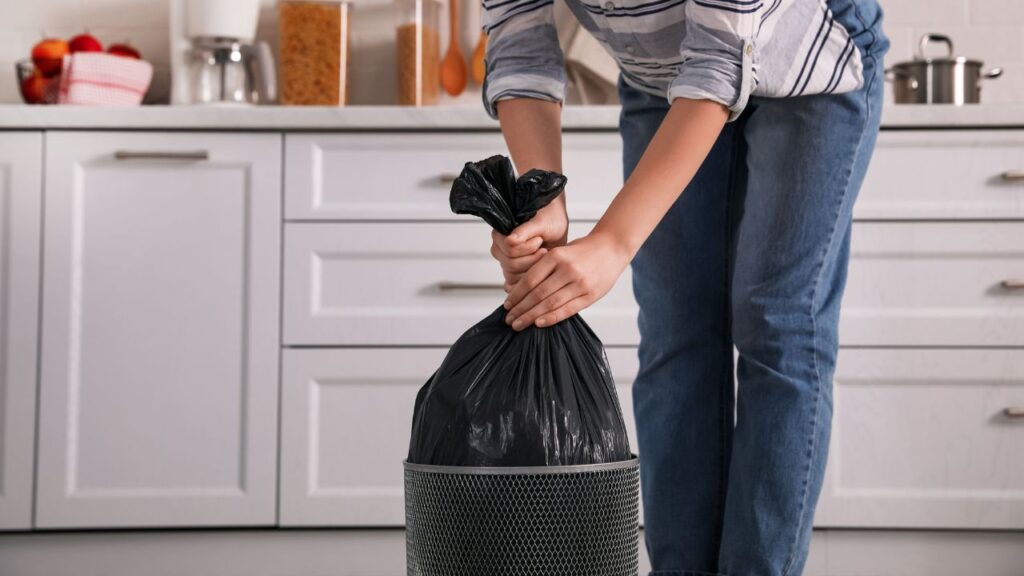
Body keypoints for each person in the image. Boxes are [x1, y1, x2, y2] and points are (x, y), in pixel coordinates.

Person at [484, 0, 889, 574]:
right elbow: (519, 42)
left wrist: (613, 243)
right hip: (664, 77)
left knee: (776, 323)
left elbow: (722, 60)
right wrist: (543, 198)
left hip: (811, 64)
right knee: (675, 331)